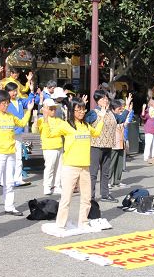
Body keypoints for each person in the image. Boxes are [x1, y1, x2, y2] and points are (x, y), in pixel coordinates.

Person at [42, 97, 106, 231]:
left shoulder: (86, 126)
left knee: (86, 197)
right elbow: (49, 134)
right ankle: (60, 224)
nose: (82, 112)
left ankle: (83, 222)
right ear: (72, 111)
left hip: (85, 167)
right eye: (78, 110)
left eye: (83, 109)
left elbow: (97, 133)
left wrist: (102, 118)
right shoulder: (66, 125)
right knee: (66, 198)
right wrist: (46, 119)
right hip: (70, 166)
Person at [0, 90, 33, 219]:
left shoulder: (10, 116)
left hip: (10, 152)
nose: (6, 105)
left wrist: (29, 110)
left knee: (9, 182)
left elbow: (22, 123)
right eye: (3, 103)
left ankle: (9, 206)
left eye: (7, 103)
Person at [85, 89, 130, 203]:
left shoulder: (111, 113)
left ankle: (105, 194)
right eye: (102, 98)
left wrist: (127, 107)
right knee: (93, 173)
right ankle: (90, 196)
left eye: (106, 98)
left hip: (108, 146)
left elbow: (121, 119)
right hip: (95, 146)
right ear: (97, 101)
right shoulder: (94, 113)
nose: (105, 100)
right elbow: (84, 124)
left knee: (105, 172)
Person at [5, 81, 36, 186]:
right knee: (7, 157)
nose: (14, 93)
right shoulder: (5, 102)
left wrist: (31, 91)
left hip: (18, 133)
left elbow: (30, 102)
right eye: (12, 91)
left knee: (18, 156)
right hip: (7, 133)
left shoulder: (19, 101)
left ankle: (17, 179)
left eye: (15, 91)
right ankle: (5, 179)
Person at [37, 98, 64, 195]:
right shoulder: (41, 120)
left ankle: (57, 186)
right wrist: (44, 119)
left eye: (54, 108)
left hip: (59, 146)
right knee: (50, 168)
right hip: (49, 148)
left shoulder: (59, 120)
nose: (53, 110)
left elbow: (64, 129)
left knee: (59, 168)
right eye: (51, 109)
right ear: (45, 109)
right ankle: (47, 186)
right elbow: (35, 130)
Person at [109, 99, 130, 188]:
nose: (120, 111)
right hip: (113, 143)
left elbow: (123, 122)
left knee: (119, 163)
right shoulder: (111, 116)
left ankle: (117, 181)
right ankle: (109, 181)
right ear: (113, 109)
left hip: (121, 141)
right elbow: (121, 120)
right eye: (118, 109)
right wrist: (127, 108)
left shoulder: (119, 116)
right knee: (111, 163)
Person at [141, 99, 154, 163]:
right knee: (148, 144)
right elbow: (143, 116)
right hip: (149, 129)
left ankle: (153, 156)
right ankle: (146, 157)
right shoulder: (147, 111)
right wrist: (143, 109)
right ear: (150, 105)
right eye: (153, 104)